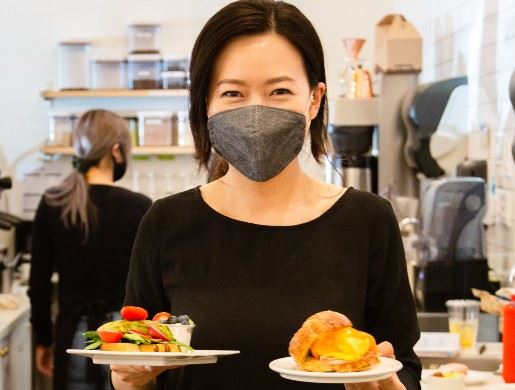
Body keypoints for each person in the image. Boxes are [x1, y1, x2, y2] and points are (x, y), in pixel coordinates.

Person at [111, 1, 422, 389]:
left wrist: (386, 384)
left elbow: (405, 367)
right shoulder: (166, 223)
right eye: (233, 93)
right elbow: (134, 362)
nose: (256, 112)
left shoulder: (368, 220)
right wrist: (129, 380)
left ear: (314, 99)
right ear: (205, 102)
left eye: (279, 91)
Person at [28, 109, 152, 390]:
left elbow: (39, 285)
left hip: (73, 336)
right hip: (124, 340)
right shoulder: (140, 206)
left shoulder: (52, 203)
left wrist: (43, 341)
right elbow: (149, 285)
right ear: (117, 150)